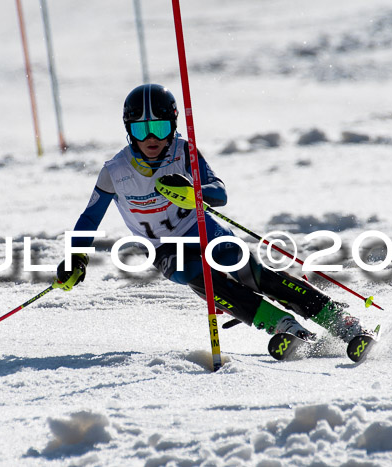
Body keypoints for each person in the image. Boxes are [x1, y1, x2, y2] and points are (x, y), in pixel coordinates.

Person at [55, 83, 371, 350]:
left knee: (254, 274)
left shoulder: (184, 153)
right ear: (129, 130)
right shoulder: (115, 171)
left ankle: (341, 321)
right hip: (164, 248)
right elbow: (90, 217)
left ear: (173, 126)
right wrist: (75, 256)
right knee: (193, 271)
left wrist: (196, 192)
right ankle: (281, 326)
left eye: (160, 127)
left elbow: (219, 193)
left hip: (202, 229)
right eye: (141, 129)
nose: (151, 138)